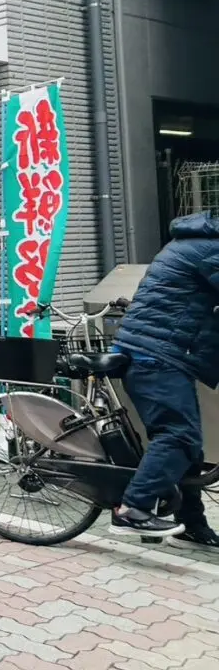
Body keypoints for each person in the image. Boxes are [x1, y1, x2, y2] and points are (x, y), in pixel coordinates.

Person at [109, 211, 219, 546]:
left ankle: (190, 525)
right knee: (178, 436)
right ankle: (132, 510)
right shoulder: (210, 248)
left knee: (189, 444)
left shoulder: (195, 238)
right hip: (155, 356)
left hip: (158, 353)